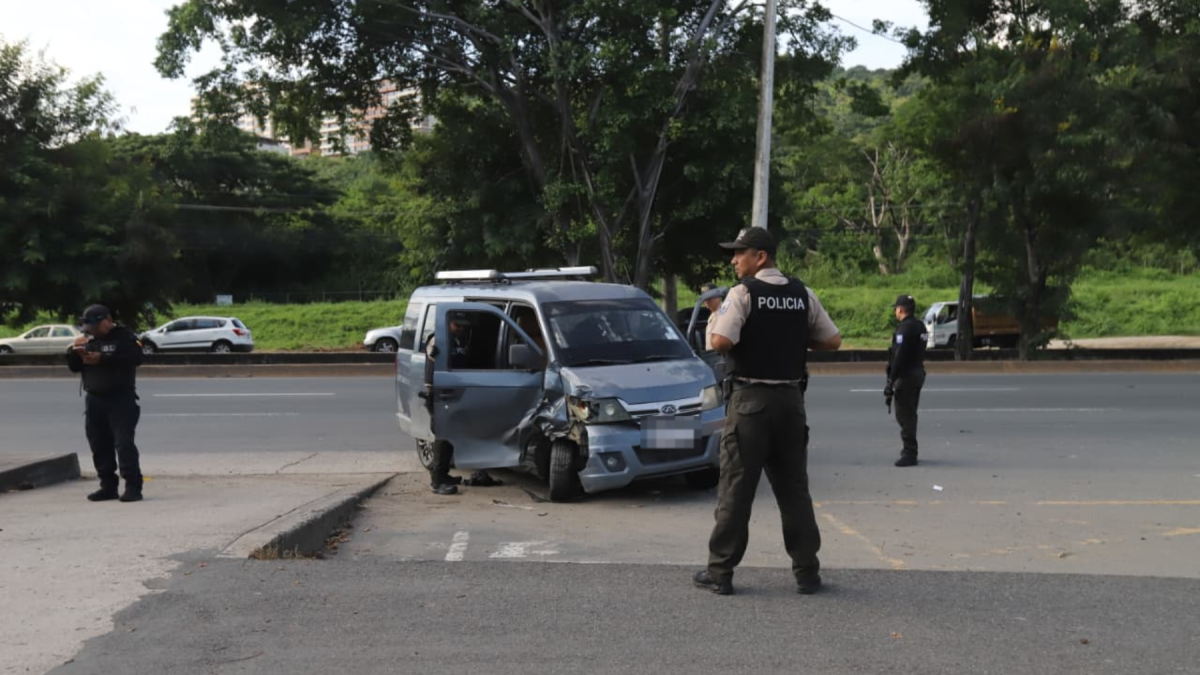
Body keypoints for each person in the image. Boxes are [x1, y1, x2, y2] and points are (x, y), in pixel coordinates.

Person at [694, 227, 842, 596]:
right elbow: (832, 340)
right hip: (791, 403)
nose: (734, 260)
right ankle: (807, 572)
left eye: (739, 253)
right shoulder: (802, 293)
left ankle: (720, 572)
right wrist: (789, 338)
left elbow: (721, 341)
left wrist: (716, 313)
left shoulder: (742, 293)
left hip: (751, 403)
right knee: (794, 491)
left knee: (736, 490)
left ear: (760, 257)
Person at [65, 305, 146, 502]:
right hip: (95, 399)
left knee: (124, 444)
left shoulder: (125, 337)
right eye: (88, 326)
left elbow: (137, 358)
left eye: (95, 325)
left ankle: (133, 486)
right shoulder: (88, 340)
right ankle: (108, 486)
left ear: (108, 320)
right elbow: (74, 367)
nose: (91, 330)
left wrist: (103, 358)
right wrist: (74, 353)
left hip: (120, 398)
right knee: (99, 444)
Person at [422, 313, 500, 495]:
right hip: (439, 394)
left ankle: (446, 474)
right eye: (457, 326)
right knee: (443, 436)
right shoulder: (437, 340)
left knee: (453, 436)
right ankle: (437, 480)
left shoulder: (459, 340)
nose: (461, 329)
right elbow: (432, 355)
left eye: (463, 326)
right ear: (448, 324)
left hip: (455, 391)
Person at [885, 295, 928, 467]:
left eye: (896, 308)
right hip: (918, 372)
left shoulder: (904, 329)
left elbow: (899, 356)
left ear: (901, 310)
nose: (895, 311)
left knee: (905, 415)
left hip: (907, 376)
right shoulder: (920, 326)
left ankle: (910, 452)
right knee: (910, 413)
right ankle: (910, 450)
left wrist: (890, 380)